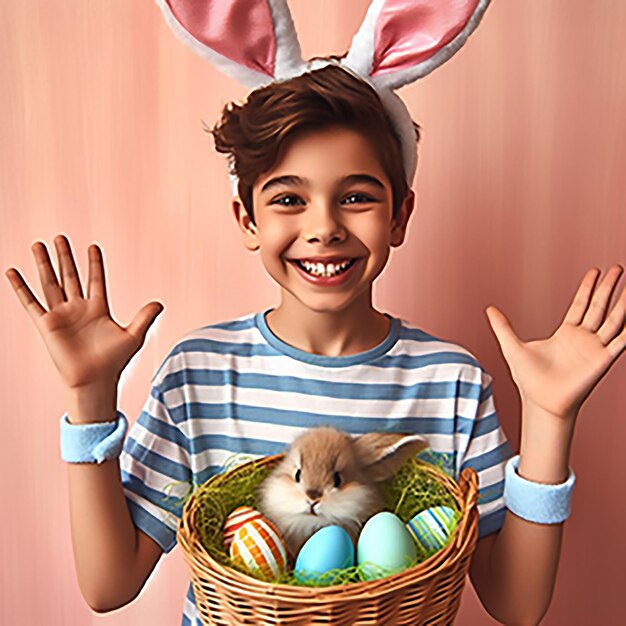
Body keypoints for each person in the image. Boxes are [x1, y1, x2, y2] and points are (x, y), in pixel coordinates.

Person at [7, 18, 626, 626]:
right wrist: (89, 401)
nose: (324, 226)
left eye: (356, 196)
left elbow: (516, 604)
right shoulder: (200, 374)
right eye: (288, 199)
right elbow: (109, 584)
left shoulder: (450, 381)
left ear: (400, 215)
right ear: (247, 219)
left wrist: (548, 419)